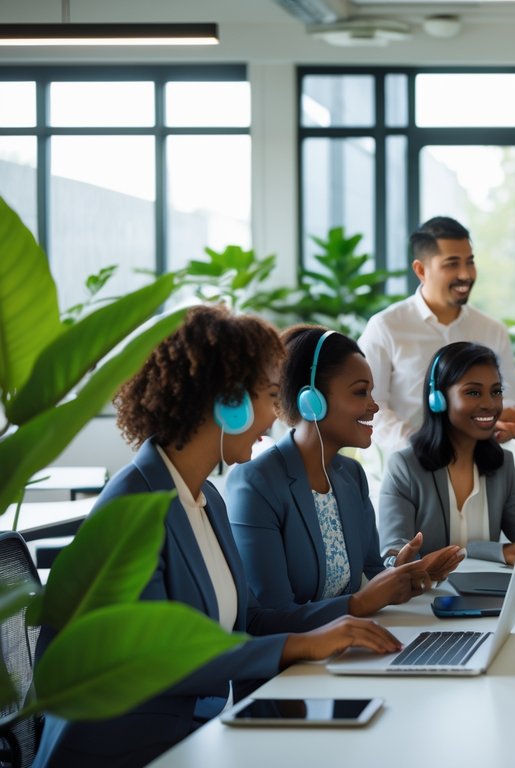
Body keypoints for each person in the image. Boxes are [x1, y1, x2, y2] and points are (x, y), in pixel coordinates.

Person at [34, 306, 402, 768]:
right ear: (229, 402)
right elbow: (158, 660)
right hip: (126, 750)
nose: (274, 415)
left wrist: (340, 623)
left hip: (196, 732)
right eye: (269, 396)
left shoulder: (205, 497)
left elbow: (247, 623)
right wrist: (302, 644)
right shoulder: (134, 507)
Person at [227, 326, 462, 614]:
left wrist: (403, 571)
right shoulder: (255, 483)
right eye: (360, 392)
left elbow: (373, 571)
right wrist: (358, 604)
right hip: (297, 657)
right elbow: (268, 616)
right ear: (312, 400)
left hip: (351, 645)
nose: (374, 406)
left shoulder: (351, 476)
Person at [359, 216, 515, 454]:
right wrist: (419, 446)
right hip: (409, 469)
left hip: (478, 467)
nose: (466, 274)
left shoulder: (492, 330)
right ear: (420, 270)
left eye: (470, 262)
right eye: (452, 264)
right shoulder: (385, 327)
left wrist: (507, 419)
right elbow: (370, 407)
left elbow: (507, 397)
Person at [379, 342, 515, 565]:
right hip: (426, 598)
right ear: (437, 399)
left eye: (496, 392)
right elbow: (395, 556)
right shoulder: (404, 466)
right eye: (473, 392)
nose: (489, 404)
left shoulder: (503, 463)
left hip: (490, 597)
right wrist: (487, 551)